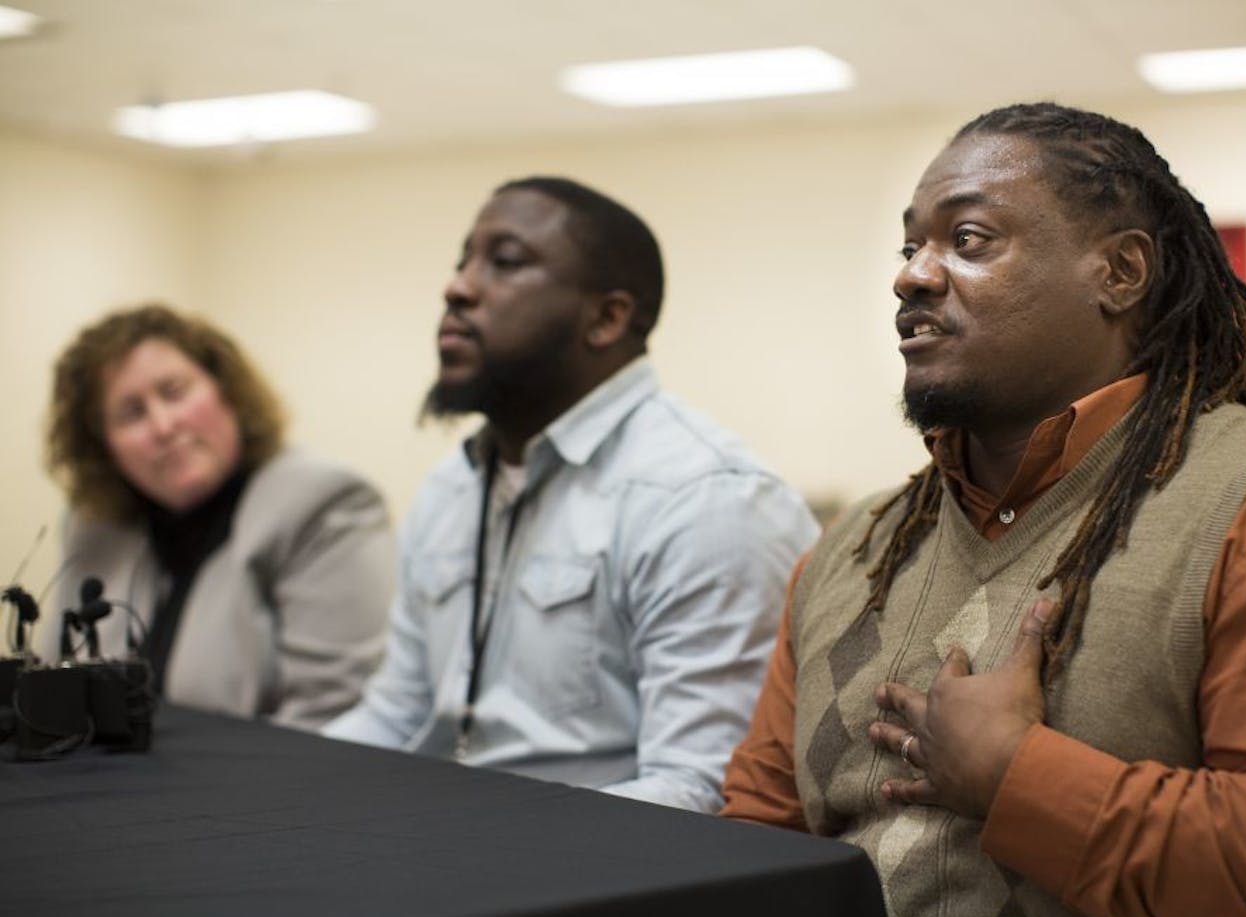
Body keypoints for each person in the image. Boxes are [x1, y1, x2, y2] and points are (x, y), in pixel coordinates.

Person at [721, 103, 1246, 917]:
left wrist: (1014, 774)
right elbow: (757, 852)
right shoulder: (852, 551)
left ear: (1120, 273)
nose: (913, 275)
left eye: (971, 239)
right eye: (910, 246)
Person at [325, 176, 818, 813]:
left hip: (597, 885)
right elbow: (397, 716)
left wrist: (470, 838)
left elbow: (706, 793)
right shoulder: (454, 485)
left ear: (607, 318)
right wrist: (273, 787)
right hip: (441, 849)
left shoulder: (705, 500)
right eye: (461, 261)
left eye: (504, 263)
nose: (458, 288)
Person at [43, 304, 395, 730]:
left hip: (267, 785)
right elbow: (57, 691)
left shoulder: (322, 504)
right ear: (103, 447)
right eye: (131, 413)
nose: (164, 425)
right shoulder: (94, 527)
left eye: (174, 392)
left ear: (225, 390)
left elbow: (334, 718)